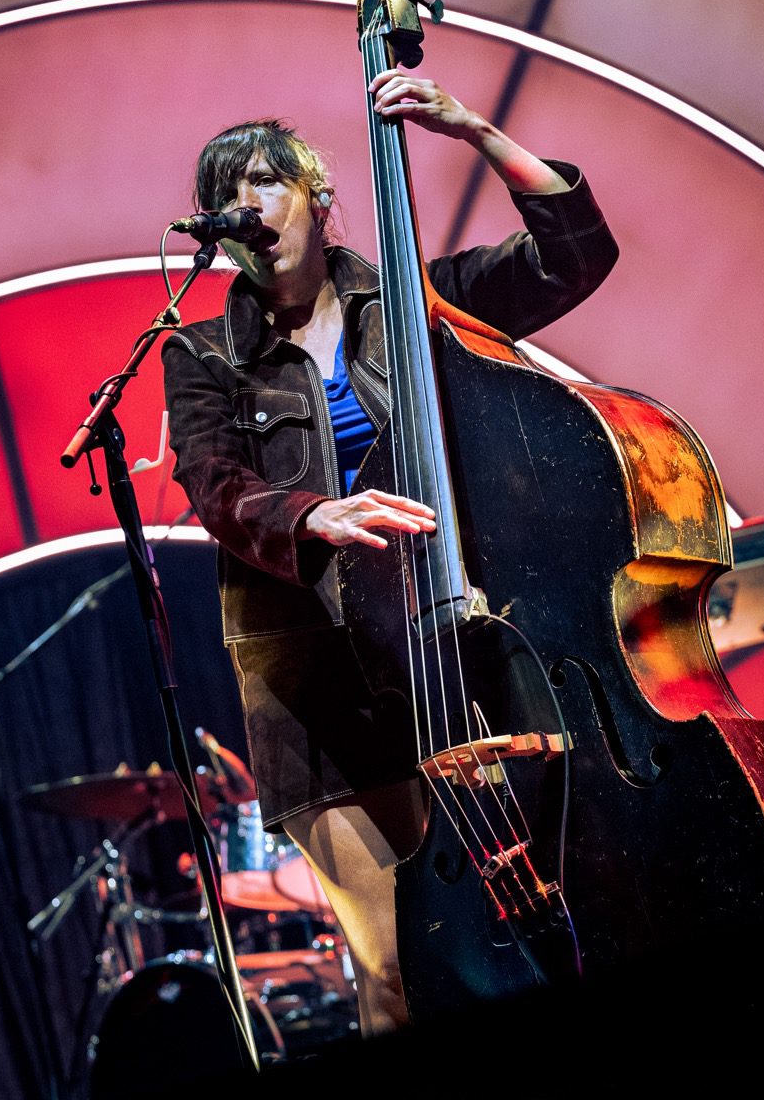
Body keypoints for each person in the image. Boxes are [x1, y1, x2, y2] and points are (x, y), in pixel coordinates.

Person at [162, 69, 620, 1037]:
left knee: (555, 925)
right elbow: (213, 486)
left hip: (459, 651)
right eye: (221, 196)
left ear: (319, 199)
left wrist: (475, 129)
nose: (240, 207)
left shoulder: (421, 302)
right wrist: (312, 516)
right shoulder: (199, 352)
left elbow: (573, 257)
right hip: (313, 685)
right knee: (394, 970)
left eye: (261, 182)